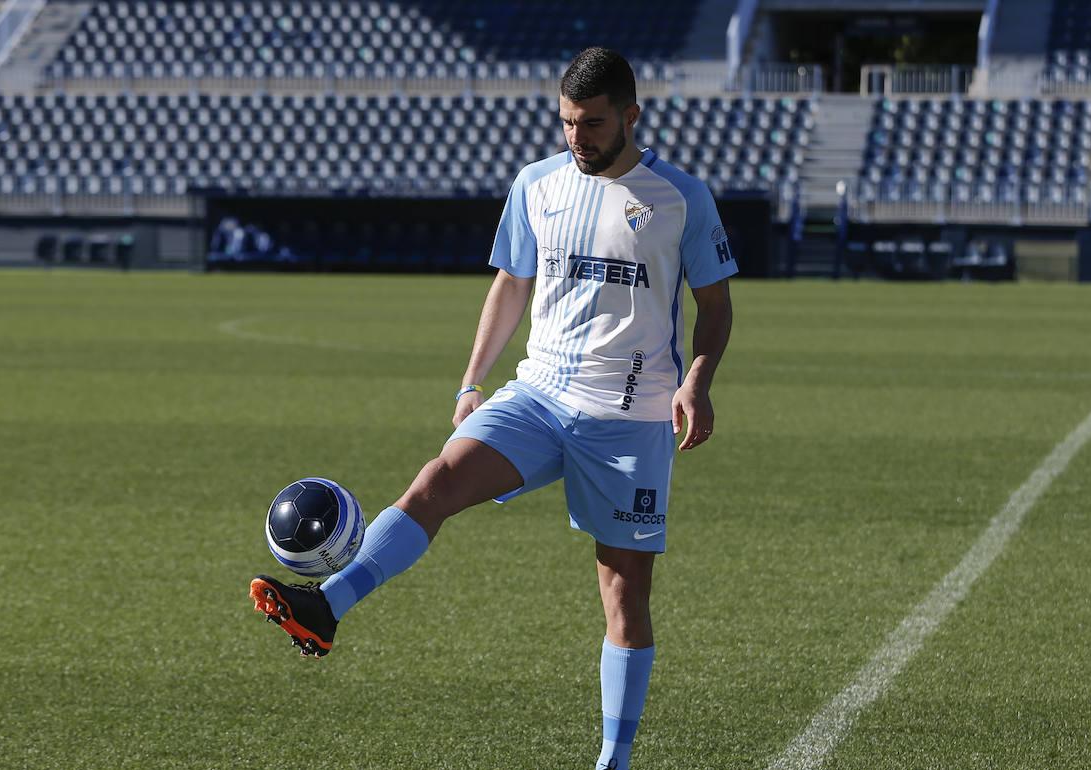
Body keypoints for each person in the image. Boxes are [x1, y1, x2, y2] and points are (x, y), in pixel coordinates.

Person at [249, 47, 736, 770]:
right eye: (568, 122)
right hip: (538, 394)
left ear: (631, 115)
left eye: (594, 123)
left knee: (623, 592)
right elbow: (511, 283)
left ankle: (614, 759)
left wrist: (698, 378)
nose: (579, 137)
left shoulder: (680, 198)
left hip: (631, 419)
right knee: (434, 482)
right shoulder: (536, 185)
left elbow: (716, 305)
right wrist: (471, 380)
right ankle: (325, 608)